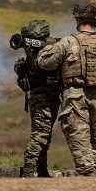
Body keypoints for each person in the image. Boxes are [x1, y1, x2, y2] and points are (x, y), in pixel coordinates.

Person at [37, 2, 96, 176]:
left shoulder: (68, 42)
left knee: (78, 134)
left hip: (75, 95)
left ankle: (87, 173)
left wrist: (45, 49)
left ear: (78, 19)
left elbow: (45, 63)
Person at [14, 20, 61, 178]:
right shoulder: (37, 50)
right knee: (40, 134)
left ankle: (41, 170)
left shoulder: (39, 48)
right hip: (43, 98)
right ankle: (28, 170)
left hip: (45, 97)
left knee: (44, 135)